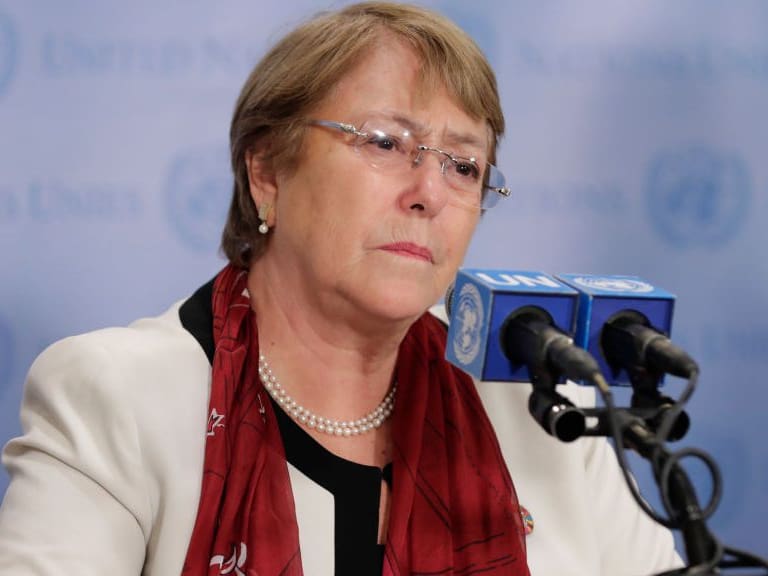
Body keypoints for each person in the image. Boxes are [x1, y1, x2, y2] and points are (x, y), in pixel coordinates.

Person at [0, 3, 681, 575]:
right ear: (267, 170)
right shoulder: (115, 399)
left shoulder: (543, 406)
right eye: (386, 143)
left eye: (464, 166)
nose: (429, 193)